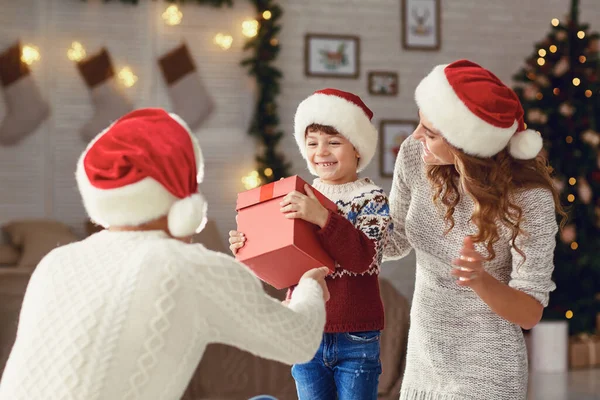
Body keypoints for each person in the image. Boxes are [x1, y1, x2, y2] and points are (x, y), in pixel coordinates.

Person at [0, 108, 330, 400]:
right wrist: (310, 288)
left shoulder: (55, 262)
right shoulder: (188, 267)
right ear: (183, 203)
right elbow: (299, 341)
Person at [384, 60, 566, 400]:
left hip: (487, 370)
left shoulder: (529, 199)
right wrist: (337, 224)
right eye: (420, 123)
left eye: (432, 132)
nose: (417, 135)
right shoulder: (414, 154)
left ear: (466, 145)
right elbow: (395, 241)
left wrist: (481, 280)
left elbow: (530, 312)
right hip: (425, 361)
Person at [230, 88, 392, 400]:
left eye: (334, 142)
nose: (321, 151)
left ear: (357, 148)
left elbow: (362, 259)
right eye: (313, 142)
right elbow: (287, 269)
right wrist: (249, 251)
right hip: (307, 331)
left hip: (355, 335)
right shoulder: (298, 194)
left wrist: (323, 217)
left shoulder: (371, 198)